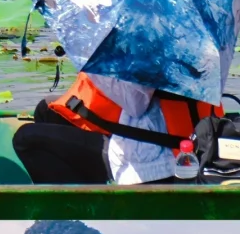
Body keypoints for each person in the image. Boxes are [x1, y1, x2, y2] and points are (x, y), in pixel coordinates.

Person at [13, 67, 229, 186]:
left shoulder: (149, 47)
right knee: (48, 110)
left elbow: (133, 102)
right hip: (181, 141)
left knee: (26, 139)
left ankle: (78, 214)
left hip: (150, 160)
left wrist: (98, 62)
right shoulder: (188, 44)